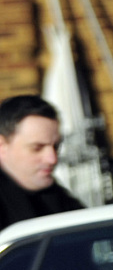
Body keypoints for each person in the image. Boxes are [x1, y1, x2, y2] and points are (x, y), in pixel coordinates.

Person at [0, 95, 80, 230]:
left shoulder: (53, 195)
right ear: (2, 146)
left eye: (56, 147)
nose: (52, 159)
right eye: (37, 148)